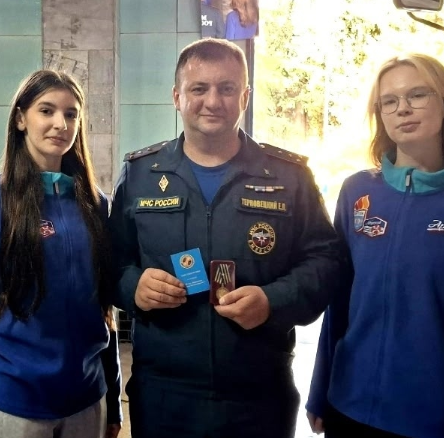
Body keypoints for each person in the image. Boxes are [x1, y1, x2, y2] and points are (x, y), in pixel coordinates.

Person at [109, 38, 342, 438]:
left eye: (227, 88)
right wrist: (134, 286)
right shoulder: (141, 174)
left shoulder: (289, 177)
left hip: (259, 396)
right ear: (177, 97)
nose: (213, 101)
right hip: (164, 396)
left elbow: (326, 261)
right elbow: (110, 260)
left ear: (245, 97)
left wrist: (272, 301)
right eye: (199, 88)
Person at [306, 53, 444, 438]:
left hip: (432, 423)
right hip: (348, 408)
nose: (402, 108)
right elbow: (339, 305)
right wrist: (320, 391)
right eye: (389, 101)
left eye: (418, 95)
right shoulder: (358, 192)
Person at [0, 69, 122, 438]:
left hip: (88, 401)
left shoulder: (96, 204)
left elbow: (104, 309)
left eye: (71, 114)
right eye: (46, 110)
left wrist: (114, 392)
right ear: (21, 119)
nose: (60, 124)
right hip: (14, 403)